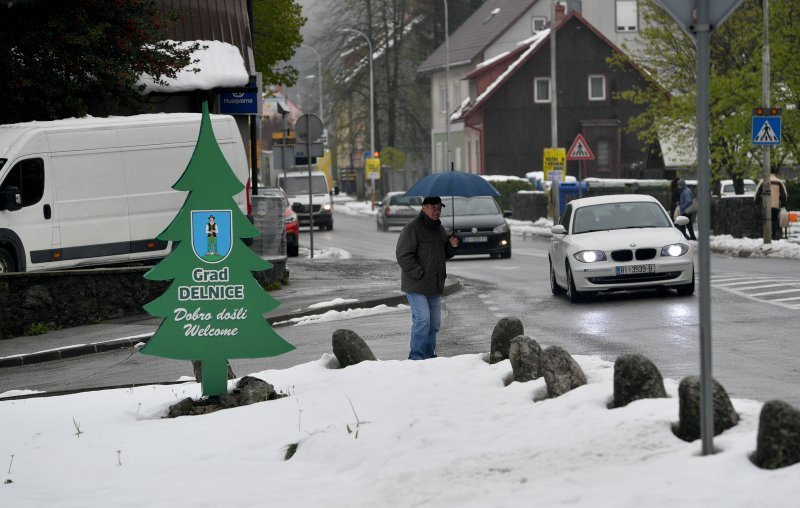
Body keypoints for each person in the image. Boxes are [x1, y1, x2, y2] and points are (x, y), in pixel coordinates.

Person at [396, 196, 459, 360]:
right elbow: (403, 255)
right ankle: (416, 357)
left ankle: (429, 356)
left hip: (435, 285)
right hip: (416, 286)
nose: (437, 211)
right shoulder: (412, 228)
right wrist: (419, 273)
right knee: (423, 320)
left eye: (439, 207)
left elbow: (443, 254)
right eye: (433, 207)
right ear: (423, 207)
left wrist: (451, 247)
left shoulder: (440, 230)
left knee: (434, 324)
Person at [754, 170, 788, 240]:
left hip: (765, 205)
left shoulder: (763, 181)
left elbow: (757, 193)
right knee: (774, 219)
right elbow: (784, 195)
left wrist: (757, 202)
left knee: (766, 220)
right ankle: (773, 235)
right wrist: (783, 205)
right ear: (775, 173)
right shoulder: (779, 182)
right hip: (776, 205)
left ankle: (767, 235)